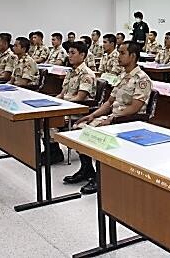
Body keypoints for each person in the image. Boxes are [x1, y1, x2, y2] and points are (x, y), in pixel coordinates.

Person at [69, 41, 152, 193]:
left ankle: (100, 177)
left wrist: (112, 119)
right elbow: (109, 102)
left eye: (122, 53)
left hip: (129, 121)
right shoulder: (122, 76)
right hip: (113, 117)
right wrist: (92, 115)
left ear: (132, 56)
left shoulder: (142, 79)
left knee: (93, 133)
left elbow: (135, 108)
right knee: (79, 128)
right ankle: (87, 169)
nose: (118, 57)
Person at [47, 41, 97, 165]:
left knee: (50, 121)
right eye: (68, 53)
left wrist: (61, 104)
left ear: (82, 55)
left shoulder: (86, 74)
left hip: (77, 111)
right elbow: (62, 93)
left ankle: (85, 166)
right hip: (65, 107)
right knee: (43, 118)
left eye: (73, 53)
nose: (69, 56)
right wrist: (54, 102)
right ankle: (53, 152)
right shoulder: (70, 72)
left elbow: (80, 97)